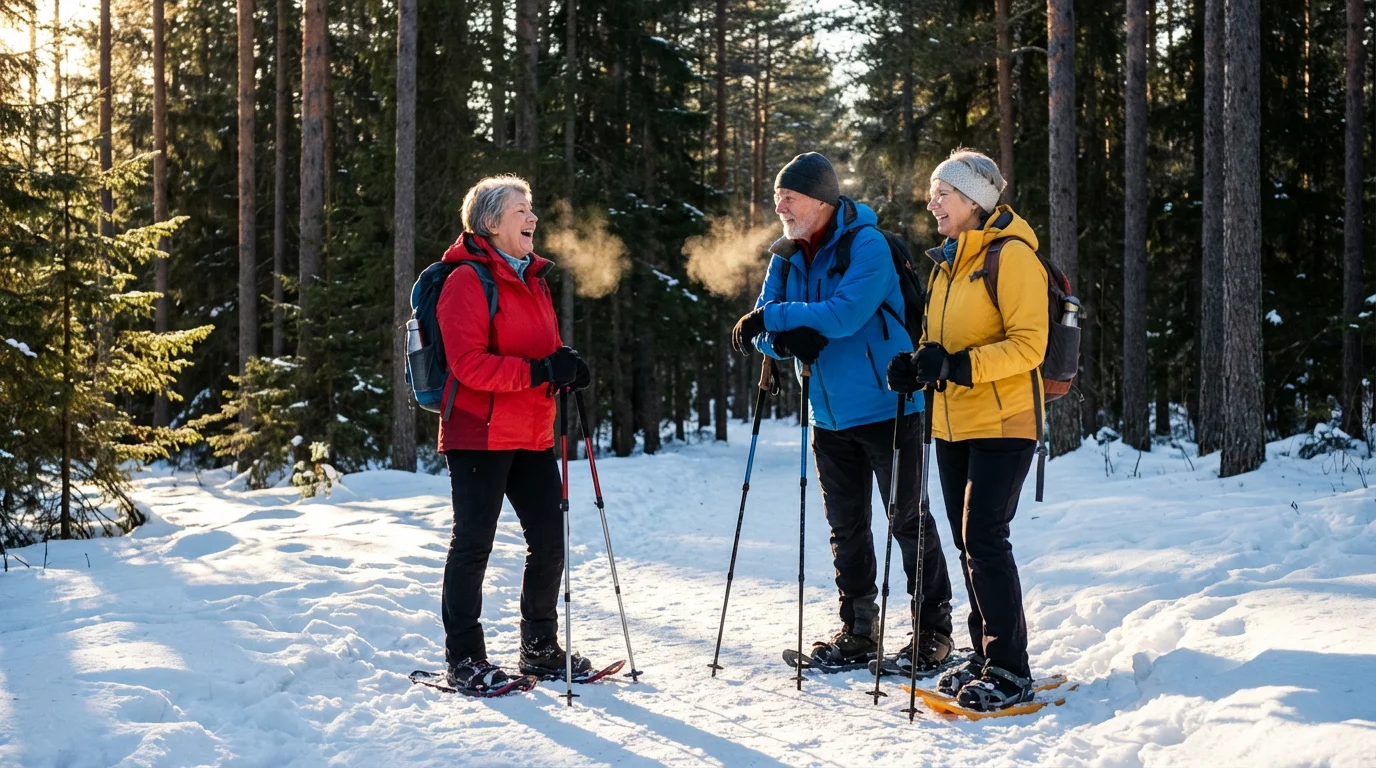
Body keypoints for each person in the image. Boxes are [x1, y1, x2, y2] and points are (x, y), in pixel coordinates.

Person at [731, 152, 955, 674]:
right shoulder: (785, 255)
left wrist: (780, 319)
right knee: (846, 527)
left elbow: (846, 313)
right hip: (828, 416)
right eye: (777, 197)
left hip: (890, 406)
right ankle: (858, 630)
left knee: (907, 521)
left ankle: (933, 631)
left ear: (822, 199)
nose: (780, 205)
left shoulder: (866, 245)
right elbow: (768, 337)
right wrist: (788, 338)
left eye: (789, 196)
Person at [886, 149, 1049, 711]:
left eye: (942, 193)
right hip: (954, 421)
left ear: (974, 200)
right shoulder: (946, 264)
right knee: (964, 540)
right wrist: (916, 365)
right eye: (932, 193)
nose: (932, 203)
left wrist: (956, 366)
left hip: (1006, 420)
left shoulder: (1012, 258)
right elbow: (940, 344)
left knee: (984, 537)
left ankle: (1010, 668)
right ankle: (985, 654)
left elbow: (1030, 345)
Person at [435, 175, 593, 694]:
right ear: (491, 222)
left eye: (532, 209)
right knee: (474, 544)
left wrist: (565, 366)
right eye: (522, 210)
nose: (533, 219)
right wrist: (540, 370)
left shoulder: (533, 278)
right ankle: (465, 658)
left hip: (530, 431)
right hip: (478, 433)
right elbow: (468, 364)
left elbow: (543, 346)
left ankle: (540, 648)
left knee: (549, 540)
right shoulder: (466, 281)